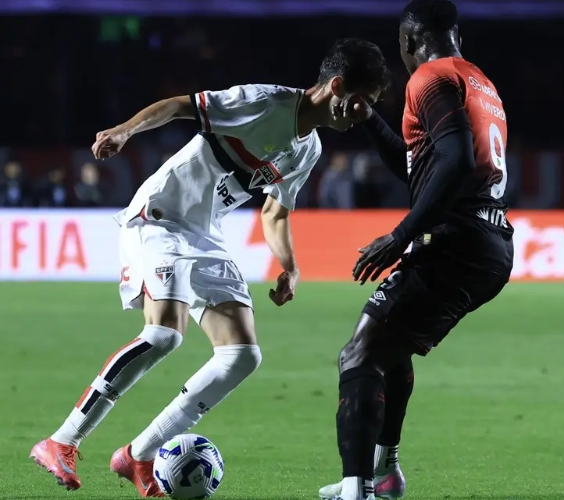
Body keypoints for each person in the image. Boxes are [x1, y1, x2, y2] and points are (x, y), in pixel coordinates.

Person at [29, 38, 390, 497]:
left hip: (205, 235)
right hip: (160, 218)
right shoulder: (264, 102)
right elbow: (180, 106)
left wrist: (290, 267)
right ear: (336, 86)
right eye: (362, 101)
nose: (364, 113)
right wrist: (124, 131)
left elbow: (275, 212)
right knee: (164, 335)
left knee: (241, 356)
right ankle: (62, 440)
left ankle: (140, 454)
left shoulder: (309, 150)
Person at [319, 2, 513, 499]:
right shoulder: (480, 83)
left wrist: (399, 235)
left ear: (408, 41)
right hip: (488, 241)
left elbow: (455, 160)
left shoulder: (429, 78)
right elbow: (424, 169)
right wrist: (371, 121)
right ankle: (384, 472)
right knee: (391, 348)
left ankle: (357, 488)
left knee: (359, 355)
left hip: (455, 241)